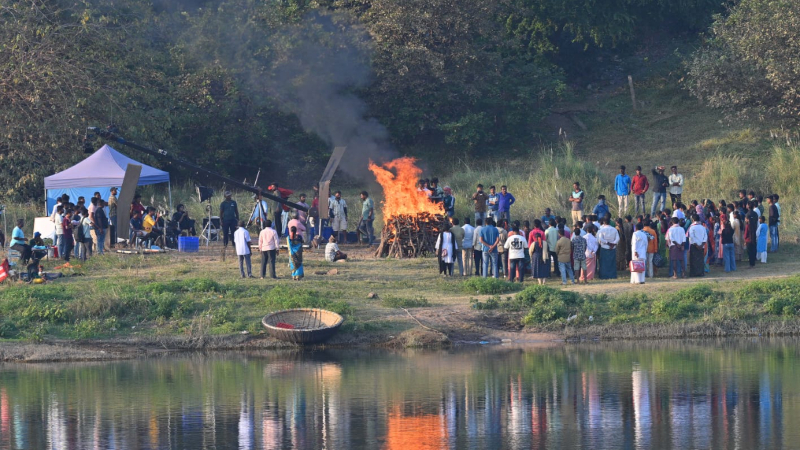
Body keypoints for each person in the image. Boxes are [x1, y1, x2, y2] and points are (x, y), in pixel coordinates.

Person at [528, 220, 549, 284]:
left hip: (535, 252)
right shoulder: (542, 232)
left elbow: (529, 243)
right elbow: (544, 241)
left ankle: (538, 280)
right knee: (543, 267)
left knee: (536, 267)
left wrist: (531, 254)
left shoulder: (531, 232)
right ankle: (544, 281)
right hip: (543, 252)